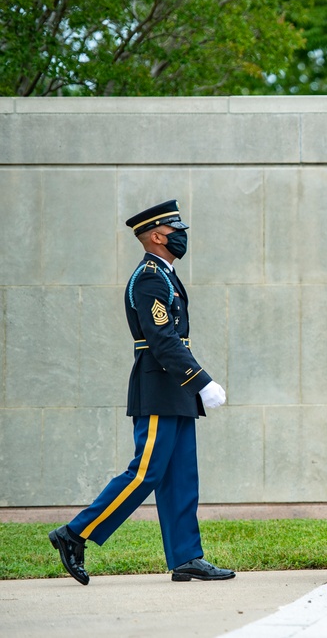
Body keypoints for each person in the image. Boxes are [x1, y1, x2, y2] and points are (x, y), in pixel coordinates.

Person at [48, 200, 233, 585]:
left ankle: (186, 557)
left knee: (181, 476)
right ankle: (74, 533)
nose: (181, 236)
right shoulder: (149, 277)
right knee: (144, 473)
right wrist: (201, 380)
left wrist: (192, 386)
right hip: (159, 387)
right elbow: (162, 340)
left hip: (174, 389)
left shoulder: (164, 274)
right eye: (174, 230)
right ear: (156, 236)